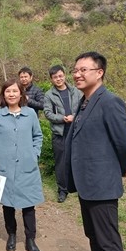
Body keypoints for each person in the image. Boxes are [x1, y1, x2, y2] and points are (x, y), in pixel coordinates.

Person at [65, 51, 126, 251]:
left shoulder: (110, 102)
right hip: (87, 184)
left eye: (84, 69)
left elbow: (125, 144)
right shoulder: (84, 102)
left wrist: (119, 167)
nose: (77, 74)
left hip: (102, 184)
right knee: (94, 237)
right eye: (75, 69)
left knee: (109, 244)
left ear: (99, 72)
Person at [0, 79, 45, 251]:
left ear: (21, 94)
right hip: (4, 166)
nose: (11, 94)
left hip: (27, 166)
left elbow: (38, 136)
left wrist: (34, 154)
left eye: (15, 91)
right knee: (8, 205)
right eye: (8, 91)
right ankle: (11, 235)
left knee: (28, 205)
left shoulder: (30, 114)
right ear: (3, 94)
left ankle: (30, 239)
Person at [43, 65, 82, 203]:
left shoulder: (76, 91)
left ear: (65, 75)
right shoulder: (49, 95)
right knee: (61, 162)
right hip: (60, 133)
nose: (58, 79)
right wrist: (63, 118)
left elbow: (84, 107)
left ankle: (78, 185)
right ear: (51, 79)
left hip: (76, 131)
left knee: (78, 159)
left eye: (60, 76)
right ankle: (62, 190)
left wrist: (75, 117)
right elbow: (48, 113)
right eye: (55, 77)